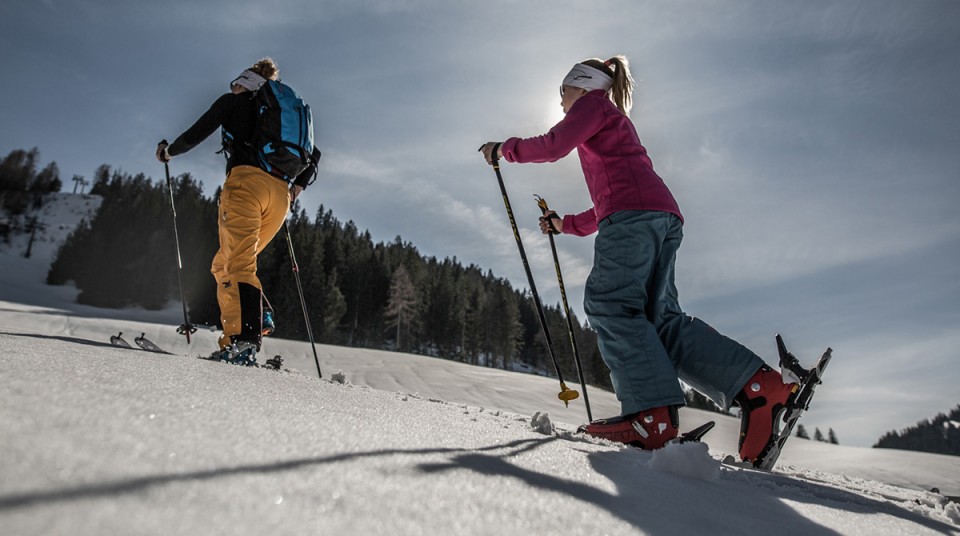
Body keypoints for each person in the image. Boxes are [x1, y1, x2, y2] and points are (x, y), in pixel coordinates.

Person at [480, 56, 796, 464]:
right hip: (657, 215)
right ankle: (758, 388)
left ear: (580, 84)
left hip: (634, 217)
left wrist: (504, 149)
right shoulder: (609, 121)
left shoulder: (592, 105)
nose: (561, 104)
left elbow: (554, 145)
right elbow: (609, 202)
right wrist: (565, 225)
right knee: (660, 323)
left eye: (563, 93)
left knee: (611, 304)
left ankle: (651, 417)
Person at [156, 57, 320, 365]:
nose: (232, 88)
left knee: (239, 263)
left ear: (243, 83)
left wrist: (168, 152)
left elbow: (198, 131)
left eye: (234, 84)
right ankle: (254, 321)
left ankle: (245, 341)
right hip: (280, 196)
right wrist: (297, 186)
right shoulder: (282, 113)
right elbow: (315, 153)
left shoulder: (236, 102)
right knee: (225, 264)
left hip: (247, 185)